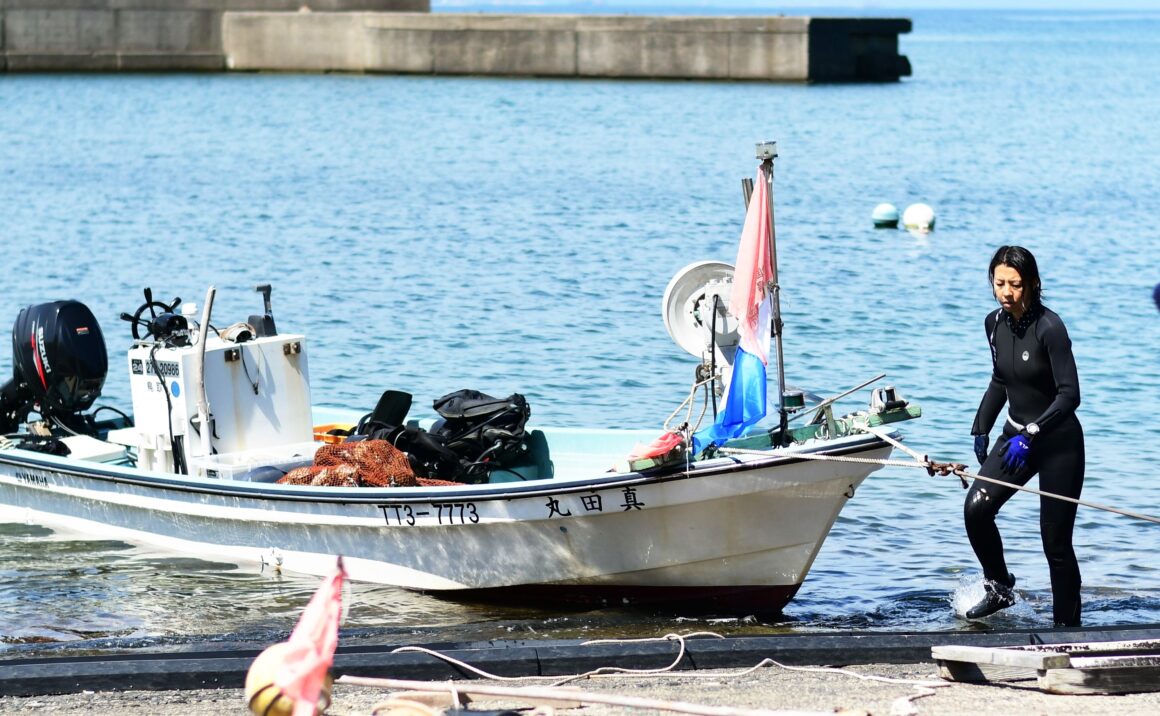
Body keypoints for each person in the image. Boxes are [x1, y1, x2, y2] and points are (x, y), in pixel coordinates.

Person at [964, 245, 1084, 626]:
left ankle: (1067, 625)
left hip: (1058, 444)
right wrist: (981, 425)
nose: (1006, 292)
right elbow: (1002, 378)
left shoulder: (1051, 328)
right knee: (977, 509)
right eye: (999, 283)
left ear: (1033, 284)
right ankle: (999, 587)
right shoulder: (993, 323)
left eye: (1015, 284)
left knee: (1056, 543)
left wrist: (1033, 432)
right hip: (1014, 438)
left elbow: (1070, 395)